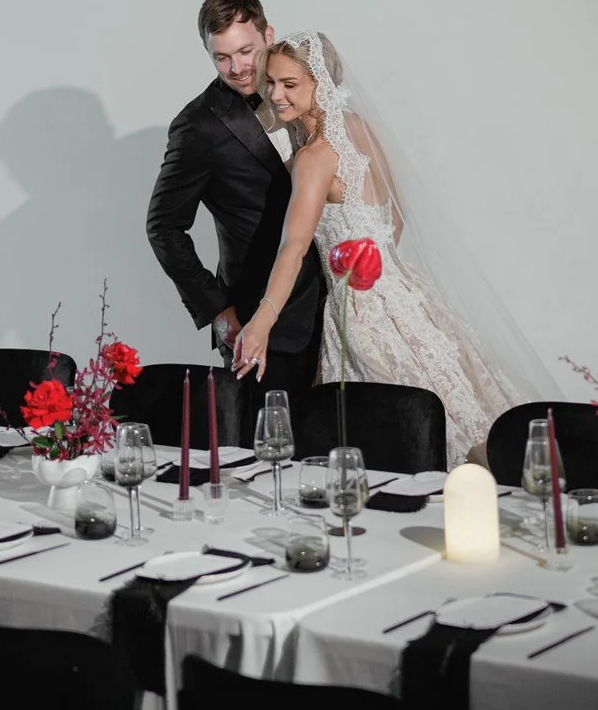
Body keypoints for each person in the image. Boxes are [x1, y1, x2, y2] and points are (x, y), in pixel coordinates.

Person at [233, 30, 549, 465]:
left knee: (399, 437)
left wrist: (260, 323)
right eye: (271, 82)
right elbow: (394, 218)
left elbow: (294, 246)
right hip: (408, 294)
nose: (275, 94)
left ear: (319, 83)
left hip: (362, 314)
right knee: (461, 412)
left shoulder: (315, 158)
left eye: (290, 84)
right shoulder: (358, 129)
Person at [145, 0, 327, 398]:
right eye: (221, 57)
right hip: (260, 325)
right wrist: (218, 312)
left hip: (335, 309)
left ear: (269, 35)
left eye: (246, 51)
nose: (238, 68)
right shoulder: (197, 127)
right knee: (268, 451)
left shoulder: (306, 93)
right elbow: (163, 227)